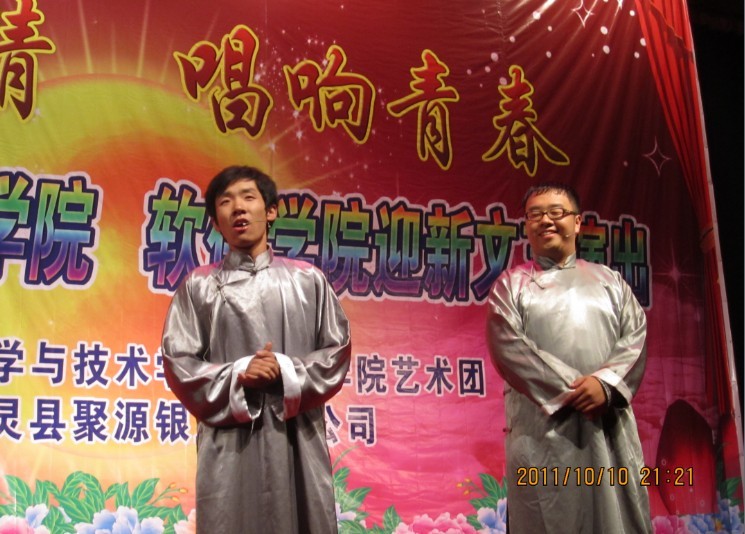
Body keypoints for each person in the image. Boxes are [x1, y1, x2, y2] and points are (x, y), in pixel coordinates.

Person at [161, 165, 351, 533]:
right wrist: (239, 374)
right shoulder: (199, 286)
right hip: (229, 441)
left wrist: (285, 370)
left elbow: (336, 350)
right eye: (225, 202)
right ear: (215, 222)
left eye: (248, 197)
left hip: (297, 435)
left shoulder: (307, 280)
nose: (238, 208)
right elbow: (178, 362)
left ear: (271, 210)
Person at [485, 182, 651, 533]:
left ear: (577, 222)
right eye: (535, 214)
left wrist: (605, 386)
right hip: (542, 432)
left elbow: (635, 337)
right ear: (526, 226)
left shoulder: (610, 282)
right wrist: (576, 391)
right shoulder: (511, 287)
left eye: (556, 212)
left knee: (616, 516)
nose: (545, 220)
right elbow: (509, 347)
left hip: (608, 424)